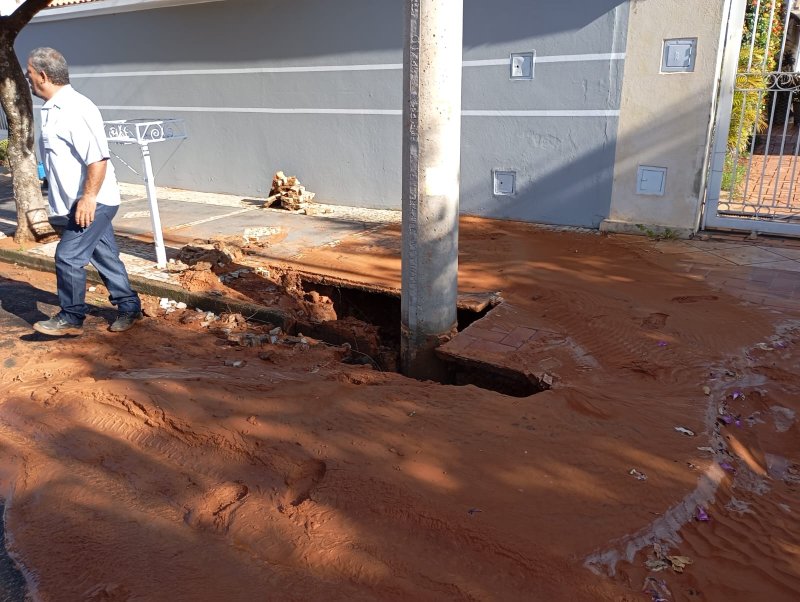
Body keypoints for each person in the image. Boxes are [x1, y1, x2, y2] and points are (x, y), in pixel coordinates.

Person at [26, 47, 142, 336]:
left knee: (68, 256)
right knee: (104, 256)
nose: (28, 79)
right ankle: (129, 306)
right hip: (78, 202)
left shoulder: (74, 109)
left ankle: (71, 316)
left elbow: (98, 159)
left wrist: (89, 198)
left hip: (92, 201)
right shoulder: (53, 108)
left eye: (29, 74)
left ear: (43, 75)